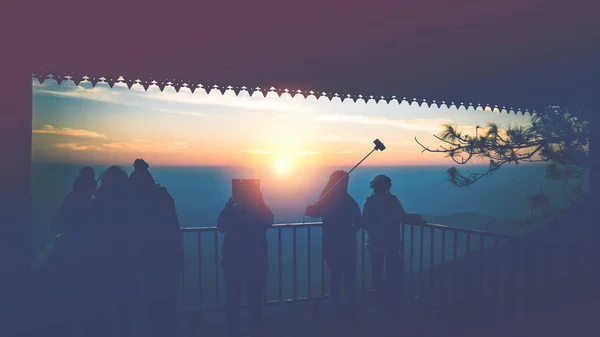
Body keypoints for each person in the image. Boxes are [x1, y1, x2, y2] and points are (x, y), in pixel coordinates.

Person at [129, 159, 183, 337]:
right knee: (164, 307)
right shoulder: (163, 198)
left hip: (156, 263)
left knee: (157, 307)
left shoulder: (151, 202)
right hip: (166, 262)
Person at [83, 166, 136, 337]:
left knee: (98, 315)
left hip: (97, 267)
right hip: (123, 267)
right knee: (122, 314)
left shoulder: (95, 206)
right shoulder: (129, 208)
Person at [217, 183, 274, 337]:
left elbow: (221, 225)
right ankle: (254, 330)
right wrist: (259, 203)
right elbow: (269, 220)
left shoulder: (235, 212)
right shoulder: (257, 212)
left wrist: (230, 206)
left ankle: (233, 330)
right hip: (255, 262)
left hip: (235, 262)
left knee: (234, 300)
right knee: (253, 301)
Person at [362, 174, 424, 309]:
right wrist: (417, 219)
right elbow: (402, 216)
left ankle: (380, 298)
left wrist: (374, 235)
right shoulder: (392, 200)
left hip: (375, 243)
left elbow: (365, 222)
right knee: (393, 270)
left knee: (377, 270)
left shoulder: (370, 201)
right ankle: (390, 298)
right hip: (390, 242)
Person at [305, 170, 362, 317]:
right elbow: (358, 221)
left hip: (331, 243)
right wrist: (350, 233)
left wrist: (309, 208)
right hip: (348, 244)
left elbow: (314, 213)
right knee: (350, 276)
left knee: (335, 276)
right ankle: (352, 307)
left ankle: (335, 307)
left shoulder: (327, 199)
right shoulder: (349, 200)